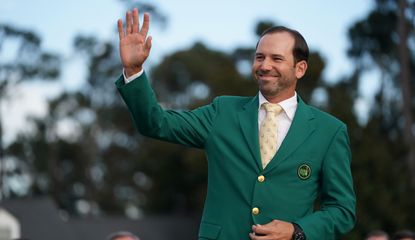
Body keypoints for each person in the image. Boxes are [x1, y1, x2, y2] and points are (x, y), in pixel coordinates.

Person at [115, 8, 356, 240]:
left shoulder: (329, 131)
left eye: (277, 58)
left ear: (300, 68)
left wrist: (297, 231)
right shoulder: (223, 112)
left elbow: (342, 210)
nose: (265, 65)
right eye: (259, 57)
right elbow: (156, 123)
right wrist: (134, 70)